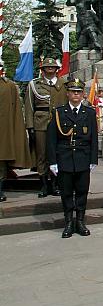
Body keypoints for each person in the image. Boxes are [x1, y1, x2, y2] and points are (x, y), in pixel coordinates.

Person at [47, 79, 98, 238]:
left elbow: (94, 138)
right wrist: (53, 161)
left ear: (83, 94)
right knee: (67, 192)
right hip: (65, 157)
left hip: (83, 157)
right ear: (67, 93)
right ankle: (69, 222)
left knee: (82, 191)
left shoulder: (89, 112)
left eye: (79, 92)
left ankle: (80, 221)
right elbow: (51, 140)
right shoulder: (58, 112)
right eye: (73, 91)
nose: (76, 94)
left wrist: (93, 159)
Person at [25, 57, 68, 198]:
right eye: (46, 67)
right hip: (41, 124)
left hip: (59, 124)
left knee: (57, 153)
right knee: (42, 154)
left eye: (52, 67)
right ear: (42, 70)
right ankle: (44, 185)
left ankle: (55, 184)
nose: (50, 69)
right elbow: (29, 106)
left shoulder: (64, 84)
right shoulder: (34, 85)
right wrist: (30, 126)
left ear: (57, 69)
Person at [0, 60, 34, 202]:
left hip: (3, 130)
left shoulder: (9, 86)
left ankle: (0, 190)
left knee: (1, 162)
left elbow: (16, 113)